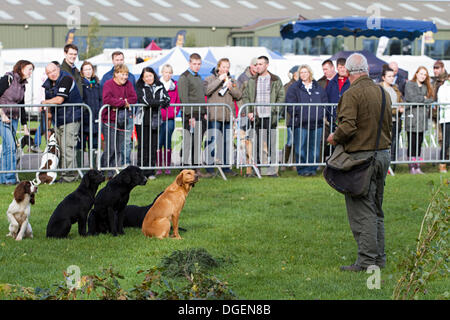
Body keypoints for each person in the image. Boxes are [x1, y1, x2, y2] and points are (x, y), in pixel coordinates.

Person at [326, 53, 392, 272]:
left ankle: (366, 262)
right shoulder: (382, 92)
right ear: (366, 70)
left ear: (348, 72)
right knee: (376, 209)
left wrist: (334, 137)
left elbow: (348, 127)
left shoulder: (351, 93)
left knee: (362, 210)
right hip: (382, 154)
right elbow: (388, 125)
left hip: (362, 158)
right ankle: (379, 259)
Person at [242, 55, 285, 177]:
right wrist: (249, 110)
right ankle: (257, 170)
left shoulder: (276, 80)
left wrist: (275, 110)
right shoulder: (251, 80)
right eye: (257, 64)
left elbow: (281, 97)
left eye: (261, 64)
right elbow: (245, 96)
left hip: (270, 117)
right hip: (256, 117)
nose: (258, 66)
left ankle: (273, 170)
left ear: (267, 65)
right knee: (256, 144)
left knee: (271, 143)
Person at [41, 62, 82, 183]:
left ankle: (69, 177)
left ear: (58, 69)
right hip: (58, 120)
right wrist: (48, 129)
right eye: (48, 72)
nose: (52, 74)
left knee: (68, 147)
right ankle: (64, 174)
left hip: (71, 117)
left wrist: (44, 102)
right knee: (61, 148)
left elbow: (59, 100)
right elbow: (48, 110)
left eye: (53, 71)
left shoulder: (66, 79)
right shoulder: (48, 85)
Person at [286, 64, 328, 176]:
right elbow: (290, 104)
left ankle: (312, 169)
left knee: (314, 148)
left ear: (310, 73)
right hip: (300, 123)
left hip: (317, 123)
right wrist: (299, 114)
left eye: (305, 72)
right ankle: (302, 170)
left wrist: (320, 114)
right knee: (300, 148)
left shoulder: (318, 87)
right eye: (301, 73)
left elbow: (324, 102)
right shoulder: (294, 87)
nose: (303, 74)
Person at [204, 57, 242, 177]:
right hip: (214, 116)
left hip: (227, 116)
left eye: (227, 67)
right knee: (212, 141)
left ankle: (226, 167)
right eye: (224, 66)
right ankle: (209, 167)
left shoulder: (232, 80)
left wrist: (231, 87)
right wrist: (219, 80)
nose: (226, 69)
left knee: (227, 142)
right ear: (218, 67)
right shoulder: (209, 79)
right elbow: (206, 91)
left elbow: (239, 95)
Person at [0, 60, 34, 185]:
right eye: (29, 69)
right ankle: (10, 178)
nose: (31, 72)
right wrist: (2, 114)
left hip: (14, 119)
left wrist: (25, 126)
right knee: (10, 146)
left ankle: (3, 178)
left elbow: (22, 106)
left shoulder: (22, 84)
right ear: (22, 68)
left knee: (7, 149)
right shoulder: (7, 79)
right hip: (2, 117)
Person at [101, 64, 137, 178]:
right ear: (116, 74)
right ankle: (102, 170)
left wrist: (120, 102)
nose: (125, 77)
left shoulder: (128, 84)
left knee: (118, 147)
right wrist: (122, 102)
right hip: (110, 120)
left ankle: (113, 172)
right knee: (110, 148)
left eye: (126, 74)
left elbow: (134, 98)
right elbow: (107, 99)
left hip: (123, 120)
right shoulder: (108, 84)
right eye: (122, 74)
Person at [178, 53, 210, 177]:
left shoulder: (198, 77)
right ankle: (185, 169)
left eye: (198, 64)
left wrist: (204, 112)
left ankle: (196, 169)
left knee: (197, 142)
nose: (197, 66)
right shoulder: (184, 77)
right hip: (190, 115)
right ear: (189, 63)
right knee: (188, 142)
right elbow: (184, 98)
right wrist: (189, 116)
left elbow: (201, 96)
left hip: (200, 114)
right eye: (194, 64)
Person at [135, 67, 170, 179]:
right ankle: (141, 171)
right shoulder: (140, 86)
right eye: (146, 76)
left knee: (153, 146)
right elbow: (144, 101)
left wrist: (157, 103)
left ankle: (150, 171)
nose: (149, 78)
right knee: (143, 146)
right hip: (142, 120)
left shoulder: (160, 85)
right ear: (143, 78)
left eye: (150, 75)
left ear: (154, 75)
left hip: (155, 120)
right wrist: (159, 103)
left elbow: (167, 99)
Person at [404, 66, 434, 174]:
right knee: (412, 142)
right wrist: (424, 99)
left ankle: (417, 166)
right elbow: (411, 98)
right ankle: (411, 166)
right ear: (416, 74)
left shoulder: (426, 86)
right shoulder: (409, 84)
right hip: (412, 118)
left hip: (422, 119)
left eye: (425, 74)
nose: (422, 76)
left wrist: (424, 99)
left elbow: (431, 99)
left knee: (419, 143)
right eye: (421, 73)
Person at [157, 64, 180, 175]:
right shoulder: (156, 84)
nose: (168, 74)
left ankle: (167, 166)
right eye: (166, 72)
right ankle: (158, 166)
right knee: (158, 141)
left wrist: (176, 111)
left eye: (170, 72)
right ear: (162, 72)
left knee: (168, 141)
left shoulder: (175, 85)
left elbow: (178, 100)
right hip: (158, 117)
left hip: (170, 117)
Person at [380, 67, 404, 171]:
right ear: (383, 77)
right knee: (383, 143)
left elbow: (400, 101)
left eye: (392, 76)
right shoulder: (379, 89)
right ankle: (383, 165)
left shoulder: (396, 88)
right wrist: (394, 109)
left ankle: (392, 165)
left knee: (394, 142)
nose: (391, 78)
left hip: (395, 120)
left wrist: (401, 107)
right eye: (389, 76)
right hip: (383, 120)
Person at [80, 61, 102, 167]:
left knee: (94, 145)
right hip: (84, 120)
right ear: (82, 72)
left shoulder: (97, 84)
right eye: (86, 69)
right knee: (81, 145)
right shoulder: (81, 84)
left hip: (95, 119)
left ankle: (93, 167)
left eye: (90, 69)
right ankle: (79, 169)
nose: (88, 71)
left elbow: (100, 99)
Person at [437, 73, 450, 173]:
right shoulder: (443, 88)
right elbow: (442, 101)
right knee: (446, 141)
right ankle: (442, 164)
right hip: (446, 118)